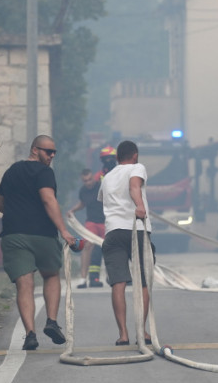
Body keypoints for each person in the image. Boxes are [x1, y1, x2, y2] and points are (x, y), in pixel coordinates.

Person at [0, 135, 77, 350]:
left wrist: (17, 211)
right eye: (48, 151)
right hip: (43, 234)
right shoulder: (44, 172)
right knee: (50, 275)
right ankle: (51, 321)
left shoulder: (11, 171)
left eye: (54, 152)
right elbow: (48, 199)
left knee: (25, 283)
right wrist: (64, 231)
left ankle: (30, 333)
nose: (51, 156)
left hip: (14, 234)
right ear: (34, 150)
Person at [99, 140, 156, 346]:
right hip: (137, 229)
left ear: (116, 158)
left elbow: (105, 201)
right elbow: (134, 186)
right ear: (135, 155)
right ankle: (142, 332)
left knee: (118, 282)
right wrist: (139, 205)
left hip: (113, 233)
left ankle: (123, 334)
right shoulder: (137, 167)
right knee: (142, 281)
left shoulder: (107, 177)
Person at [67, 169, 105, 288]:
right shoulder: (83, 191)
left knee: (110, 249)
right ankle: (83, 279)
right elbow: (82, 203)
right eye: (85, 181)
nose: (88, 183)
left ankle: (113, 276)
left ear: (93, 177)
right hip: (91, 222)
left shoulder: (101, 187)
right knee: (87, 245)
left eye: (89, 179)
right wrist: (72, 210)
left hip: (105, 222)